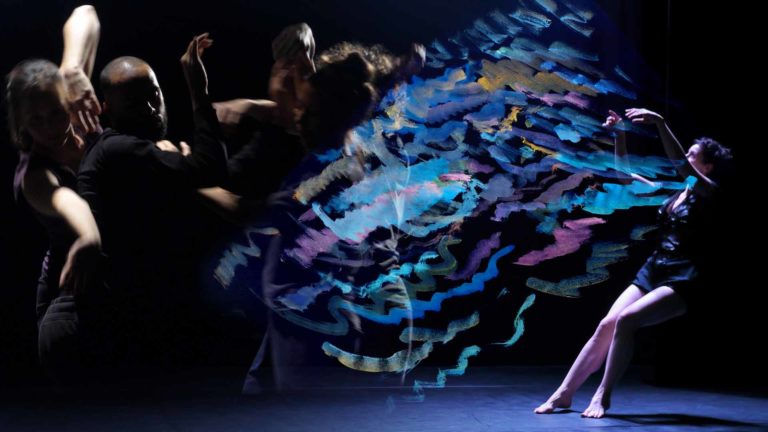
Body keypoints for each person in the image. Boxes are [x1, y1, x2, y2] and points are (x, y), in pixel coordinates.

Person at [534, 108, 733, 418]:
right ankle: (564, 393)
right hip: (654, 268)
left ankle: (603, 395)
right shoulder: (676, 192)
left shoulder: (709, 193)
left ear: (707, 166)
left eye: (692, 154)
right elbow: (624, 177)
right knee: (607, 324)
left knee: (627, 321)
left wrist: (661, 124)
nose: (684, 156)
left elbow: (682, 167)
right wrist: (620, 135)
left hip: (684, 277)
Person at [6, 5, 102, 380]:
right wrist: (89, 236)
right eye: (36, 120)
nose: (51, 127)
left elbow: (86, 13)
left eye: (56, 113)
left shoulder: (76, 111)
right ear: (21, 124)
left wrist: (72, 69)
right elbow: (68, 201)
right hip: (67, 294)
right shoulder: (33, 176)